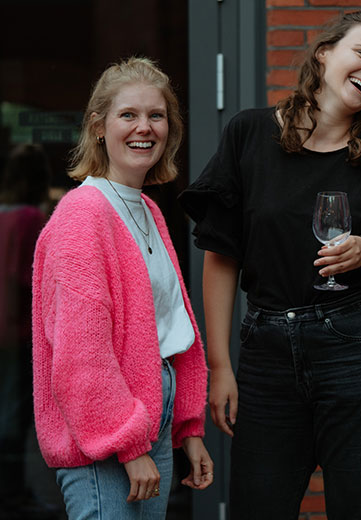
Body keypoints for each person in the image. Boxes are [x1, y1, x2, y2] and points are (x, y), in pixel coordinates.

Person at [179, 10, 361, 520]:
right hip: (267, 354)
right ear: (324, 53)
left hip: (359, 352)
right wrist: (220, 367)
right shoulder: (248, 133)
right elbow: (221, 255)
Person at [31, 57, 214, 519]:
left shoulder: (148, 211)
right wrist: (126, 444)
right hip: (108, 440)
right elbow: (80, 354)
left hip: (152, 419)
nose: (144, 127)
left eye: (156, 115)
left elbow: (171, 326)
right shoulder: (82, 215)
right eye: (128, 115)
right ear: (99, 126)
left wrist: (188, 427)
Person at [0, 144, 50, 513]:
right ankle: (13, 496)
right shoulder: (30, 218)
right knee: (14, 416)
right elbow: (27, 277)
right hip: (15, 332)